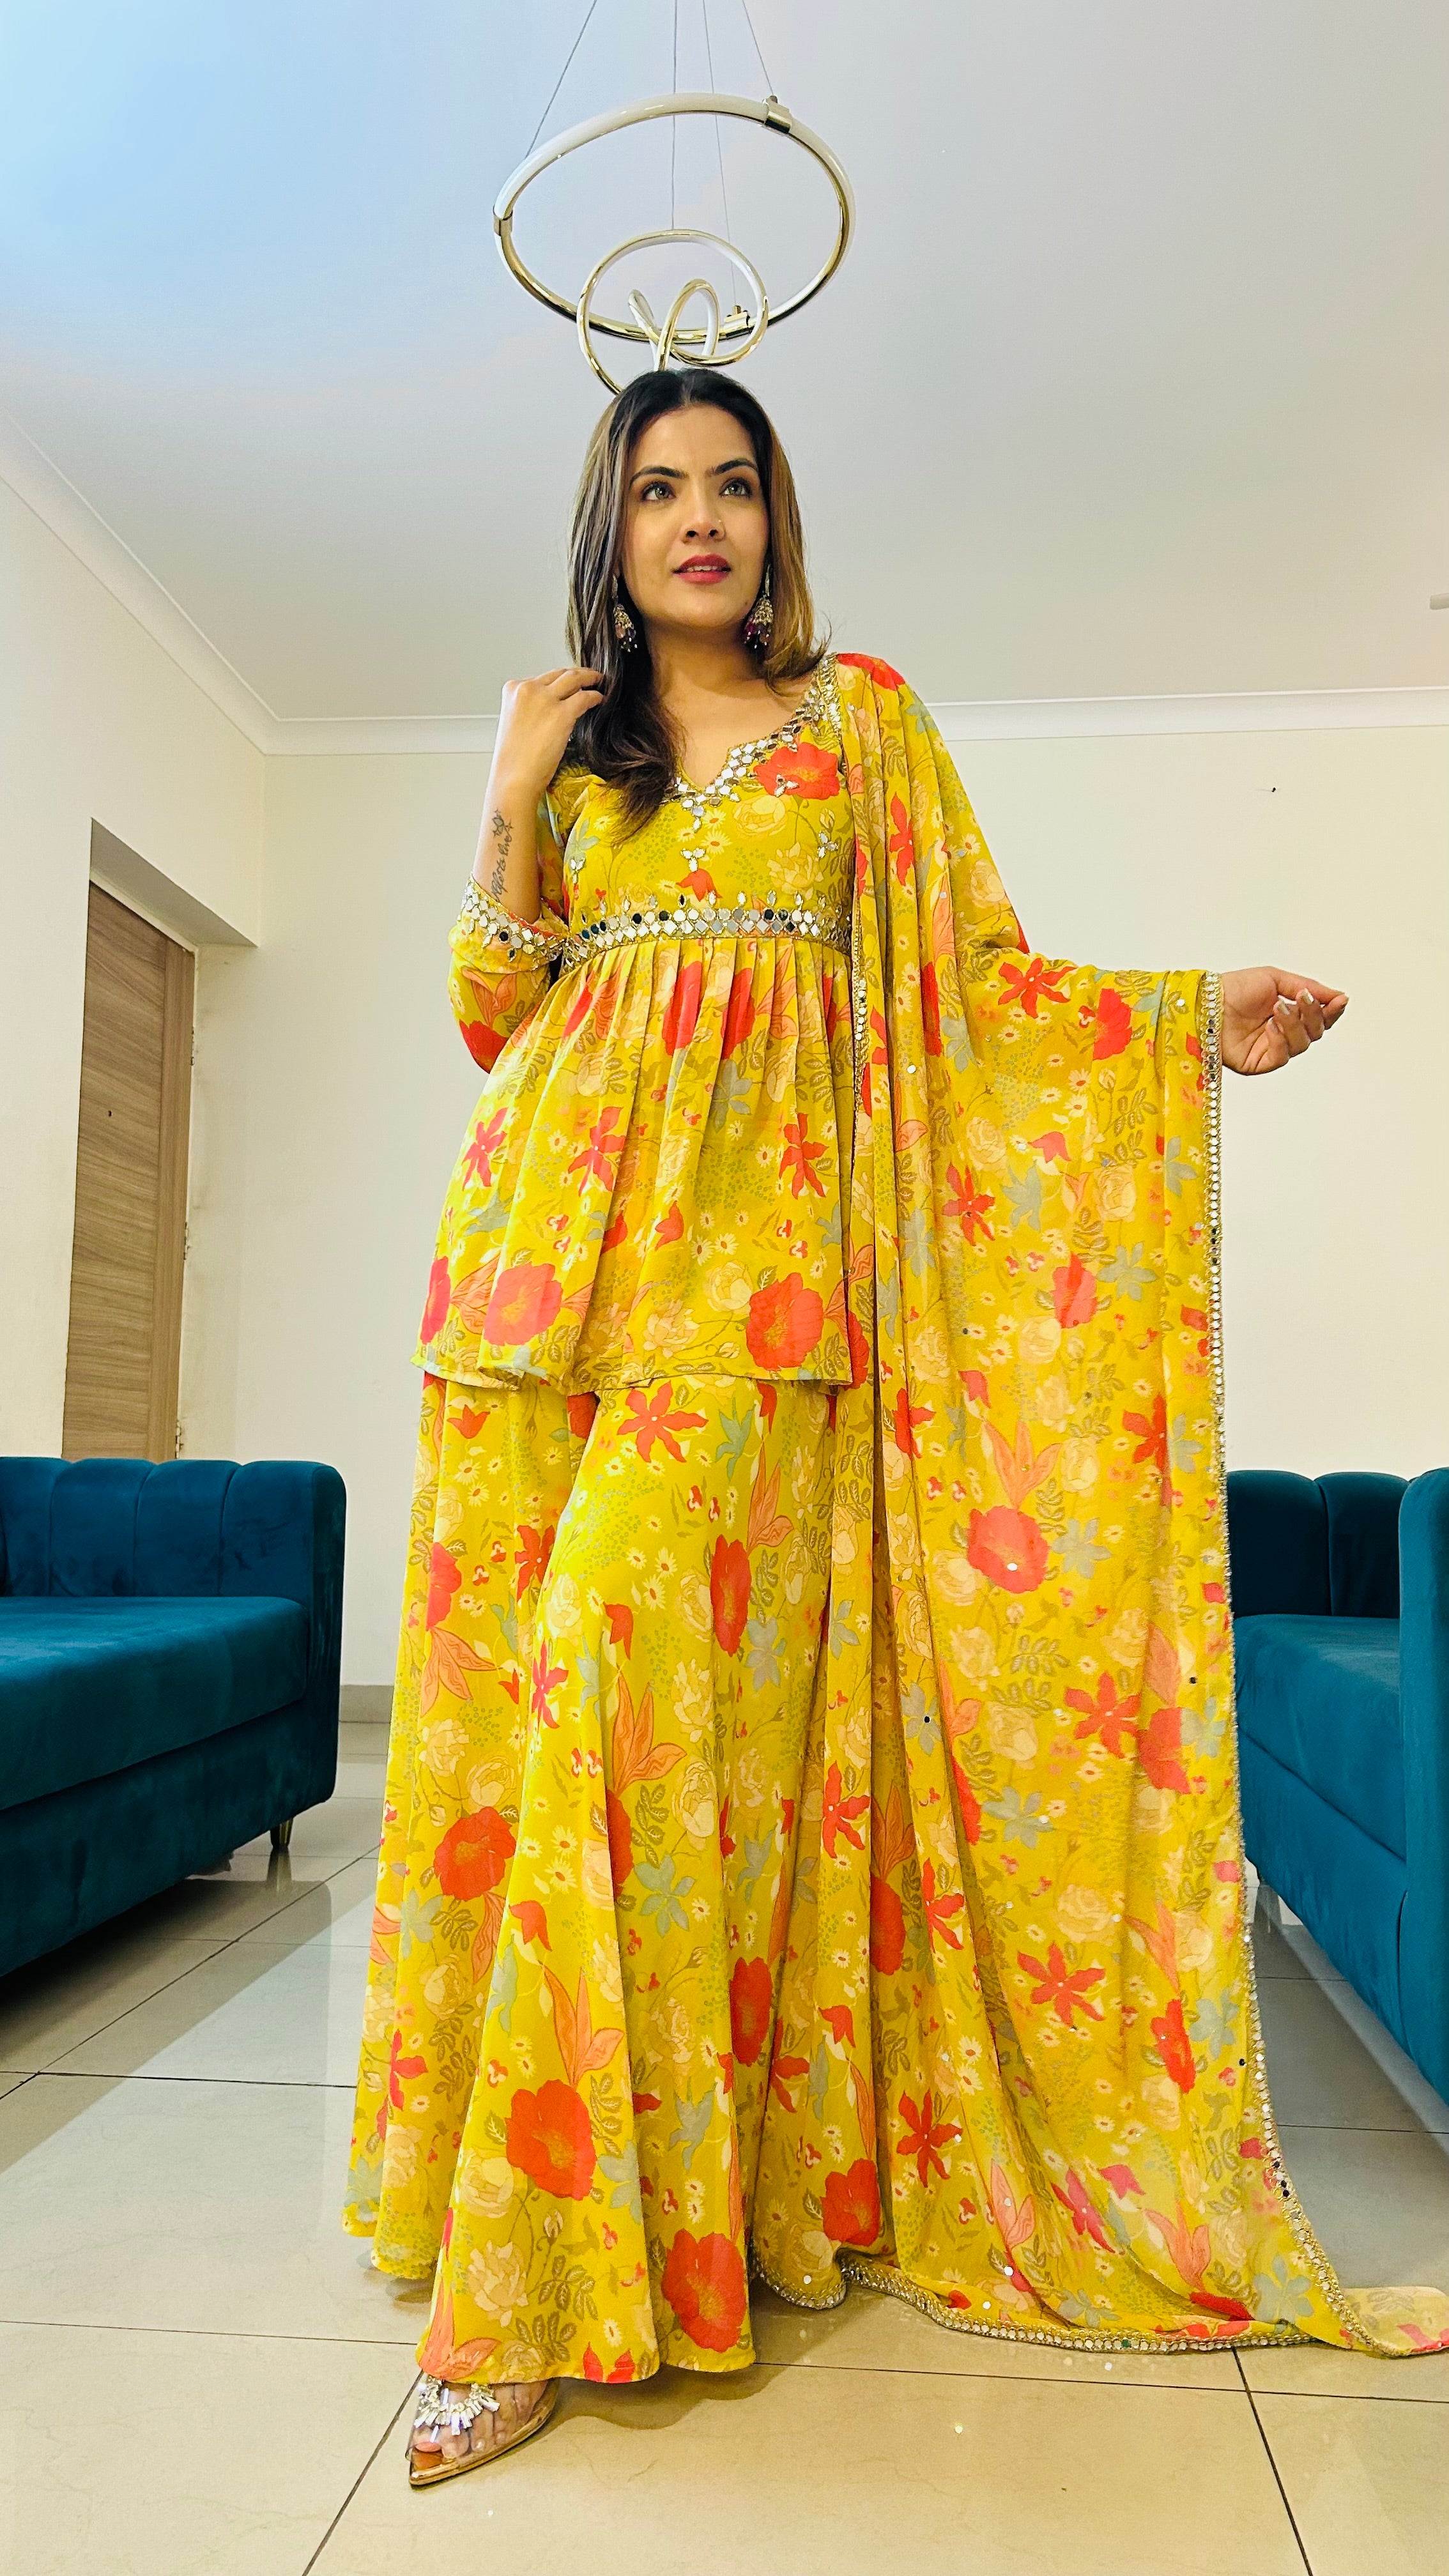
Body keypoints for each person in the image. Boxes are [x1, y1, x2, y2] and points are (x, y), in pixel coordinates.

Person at [346, 365, 1448, 2487]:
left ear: (774, 518)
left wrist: (1180, 1017)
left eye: (731, 484)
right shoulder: (574, 754)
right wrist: (503, 787)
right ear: (612, 528)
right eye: (656, 489)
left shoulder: (859, 724)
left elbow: (975, 995)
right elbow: (498, 1017)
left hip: (750, 1311)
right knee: (519, 1735)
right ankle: (572, 2219)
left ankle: (540, 2286)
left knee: (626, 1718)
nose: (697, 517)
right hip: (528, 1296)